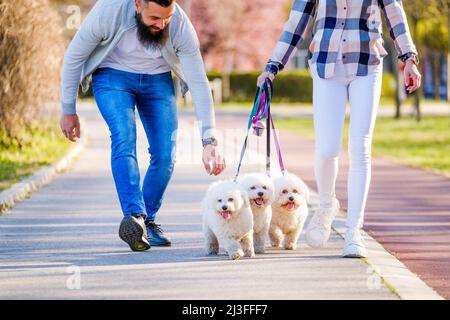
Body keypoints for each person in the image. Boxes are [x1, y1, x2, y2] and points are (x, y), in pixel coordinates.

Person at [257, 0, 421, 258]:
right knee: (327, 148)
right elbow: (296, 23)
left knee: (360, 146)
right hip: (325, 64)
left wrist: (408, 58)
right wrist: (272, 67)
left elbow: (394, 14)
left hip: (366, 64)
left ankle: (354, 231)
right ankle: (326, 205)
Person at [59, 0, 225, 252]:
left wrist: (209, 140)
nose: (162, 24)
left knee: (165, 153)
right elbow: (74, 56)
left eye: (166, 18)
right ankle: (134, 214)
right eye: (155, 19)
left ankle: (144, 222)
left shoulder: (179, 24)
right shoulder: (109, 11)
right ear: (137, 4)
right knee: (124, 137)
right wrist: (68, 110)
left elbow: (199, 82)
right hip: (112, 76)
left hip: (158, 80)